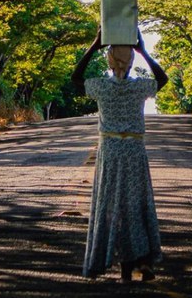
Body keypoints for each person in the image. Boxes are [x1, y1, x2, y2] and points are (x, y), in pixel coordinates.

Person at [71, 27, 168, 283]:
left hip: (111, 153)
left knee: (111, 206)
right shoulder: (139, 88)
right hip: (134, 152)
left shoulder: (101, 87)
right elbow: (163, 79)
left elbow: (76, 77)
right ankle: (138, 261)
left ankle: (126, 266)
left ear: (109, 60)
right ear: (132, 60)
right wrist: (144, 51)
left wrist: (94, 45)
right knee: (136, 206)